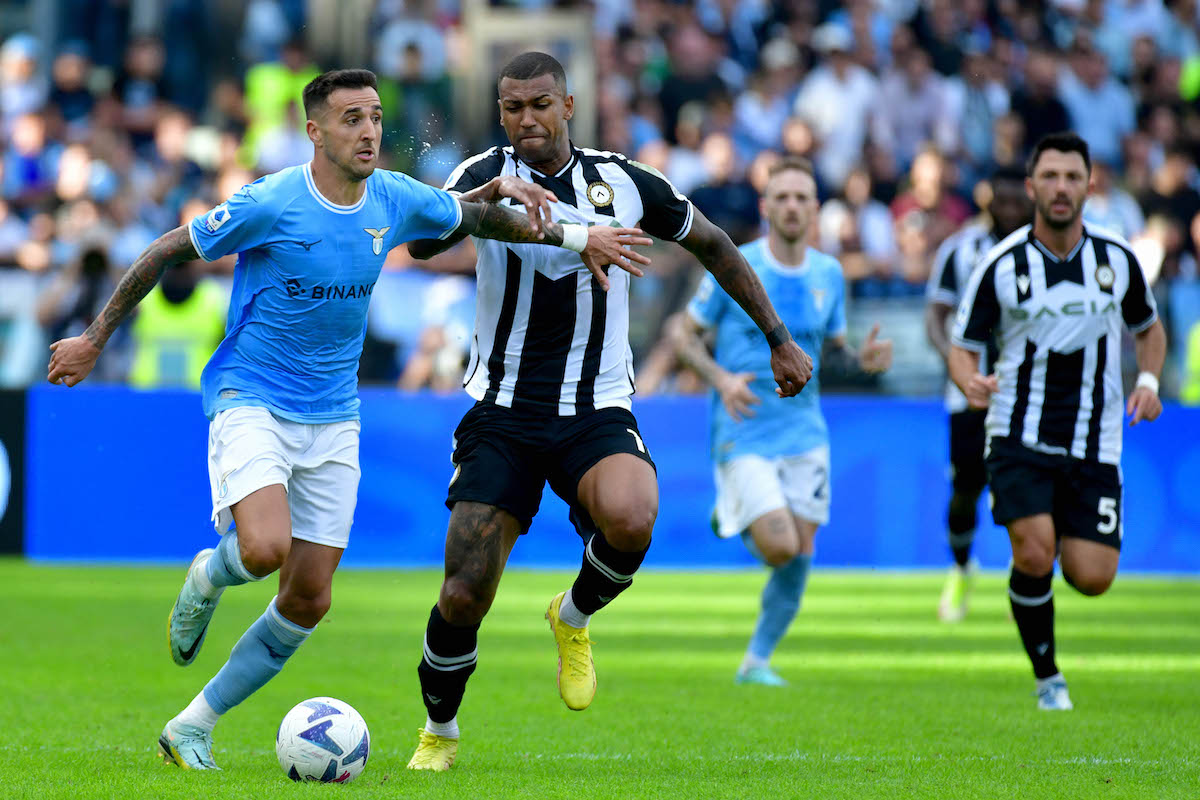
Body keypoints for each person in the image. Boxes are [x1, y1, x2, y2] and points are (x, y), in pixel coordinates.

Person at [45, 68, 650, 771]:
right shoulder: (271, 202)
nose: (369, 132)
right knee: (263, 549)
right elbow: (165, 250)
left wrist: (569, 234)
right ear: (315, 131)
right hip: (253, 399)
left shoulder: (391, 196)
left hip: (335, 415)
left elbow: (473, 218)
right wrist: (94, 338)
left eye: (375, 117)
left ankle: (191, 726)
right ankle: (210, 575)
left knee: (308, 598)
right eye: (351, 119)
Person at [401, 52, 813, 771]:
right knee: (464, 592)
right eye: (512, 107)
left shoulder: (622, 181)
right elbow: (422, 241)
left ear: (568, 106)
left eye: (540, 104)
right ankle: (440, 730)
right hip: (502, 409)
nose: (527, 119)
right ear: (500, 114)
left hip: (595, 406)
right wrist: (487, 198)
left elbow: (713, 244)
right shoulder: (481, 173)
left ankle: (573, 616)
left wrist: (778, 337)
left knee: (632, 515)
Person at [949, 132, 1166, 711]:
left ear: (1089, 186)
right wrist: (968, 380)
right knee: (1034, 551)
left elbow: (1149, 330)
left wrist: (1148, 381)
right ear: (1031, 186)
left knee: (1092, 577)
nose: (1061, 187)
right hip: (1016, 432)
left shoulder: (1117, 259)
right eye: (1050, 176)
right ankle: (1048, 678)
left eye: (1072, 176)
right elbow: (963, 344)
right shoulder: (1002, 264)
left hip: (1096, 439)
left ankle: (1037, 579)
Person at [669, 156, 892, 686]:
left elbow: (833, 349)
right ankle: (733, 510)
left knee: (800, 556)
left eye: (802, 198)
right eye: (782, 197)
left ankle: (757, 662)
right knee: (780, 546)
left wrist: (862, 360)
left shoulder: (828, 274)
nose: (792, 206)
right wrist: (721, 379)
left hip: (805, 432)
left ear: (815, 209)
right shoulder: (736, 265)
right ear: (766, 207)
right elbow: (681, 333)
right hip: (744, 427)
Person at [924, 166, 1033, 622]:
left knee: (1026, 486)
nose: (1007, 208)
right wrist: (956, 368)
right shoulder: (960, 249)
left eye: (1016, 200)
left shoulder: (1044, 251)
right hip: (968, 391)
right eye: (1000, 199)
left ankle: (1026, 574)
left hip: (1029, 391)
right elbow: (936, 315)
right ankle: (962, 568)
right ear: (986, 199)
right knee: (966, 488)